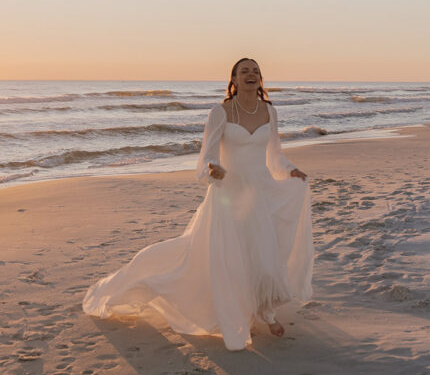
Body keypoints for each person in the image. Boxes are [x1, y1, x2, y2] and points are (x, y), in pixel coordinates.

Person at [83, 58, 312, 351]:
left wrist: (290, 170)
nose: (251, 75)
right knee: (231, 259)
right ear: (234, 79)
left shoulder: (269, 111)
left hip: (260, 192)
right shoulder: (220, 112)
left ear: (260, 78)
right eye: (244, 71)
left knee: (263, 255)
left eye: (255, 71)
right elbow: (207, 156)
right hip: (229, 193)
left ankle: (266, 312)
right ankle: (243, 314)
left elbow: (275, 155)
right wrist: (212, 170)